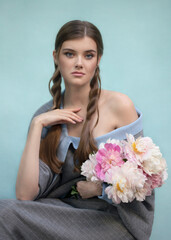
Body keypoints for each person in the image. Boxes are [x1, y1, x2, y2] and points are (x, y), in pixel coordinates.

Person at [0, 20, 154, 240]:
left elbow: (143, 183)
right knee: (4, 213)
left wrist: (99, 189)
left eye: (88, 55)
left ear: (98, 59)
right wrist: (37, 126)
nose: (79, 63)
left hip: (110, 220)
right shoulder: (45, 115)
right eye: (70, 54)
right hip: (63, 214)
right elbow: (24, 195)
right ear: (56, 57)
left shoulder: (120, 106)